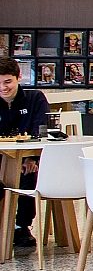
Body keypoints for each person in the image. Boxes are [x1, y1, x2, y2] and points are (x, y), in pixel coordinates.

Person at [0, 57, 50, 253]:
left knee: (29, 173)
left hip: (27, 160)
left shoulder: (35, 98)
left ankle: (22, 227)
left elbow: (42, 132)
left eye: (7, 82)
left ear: (18, 78)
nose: (3, 88)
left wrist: (32, 158)